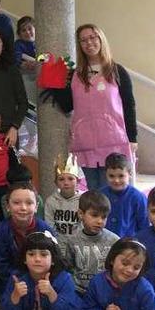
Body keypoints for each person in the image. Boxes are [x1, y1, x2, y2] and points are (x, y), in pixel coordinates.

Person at [48, 24, 138, 191]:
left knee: (111, 194)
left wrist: (132, 138)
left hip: (113, 143)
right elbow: (67, 106)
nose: (89, 42)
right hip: (85, 144)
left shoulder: (117, 71)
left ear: (101, 39)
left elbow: (129, 105)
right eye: (83, 40)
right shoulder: (75, 74)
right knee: (94, 194)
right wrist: (54, 81)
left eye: (92, 37)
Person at [0, 182, 55, 295]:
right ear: (7, 206)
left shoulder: (45, 230)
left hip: (41, 279)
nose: (23, 208)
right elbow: (1, 264)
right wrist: (22, 281)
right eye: (16, 203)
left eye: (29, 203)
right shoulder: (1, 230)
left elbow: (53, 259)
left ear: (36, 207)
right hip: (11, 280)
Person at [64, 190, 119, 293]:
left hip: (105, 292)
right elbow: (68, 268)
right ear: (81, 214)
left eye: (104, 217)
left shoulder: (114, 241)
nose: (100, 221)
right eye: (94, 215)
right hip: (79, 291)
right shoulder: (73, 240)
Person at [101, 153, 148, 237]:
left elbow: (144, 224)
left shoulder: (138, 197)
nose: (116, 180)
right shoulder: (100, 195)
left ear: (129, 174)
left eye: (121, 176)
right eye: (111, 176)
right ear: (106, 175)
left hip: (128, 244)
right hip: (104, 242)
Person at [44, 153, 83, 254]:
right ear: (56, 182)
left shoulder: (84, 200)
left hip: (78, 246)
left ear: (78, 181)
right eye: (61, 179)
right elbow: (49, 226)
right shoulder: (51, 201)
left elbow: (84, 224)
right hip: (58, 246)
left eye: (70, 179)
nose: (66, 183)